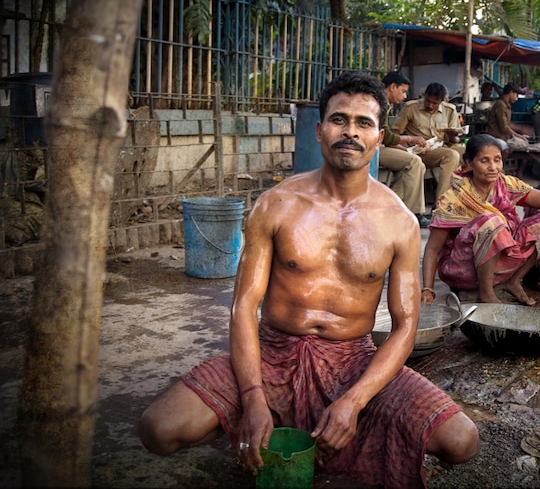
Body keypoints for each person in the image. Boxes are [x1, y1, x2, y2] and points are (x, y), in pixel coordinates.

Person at [138, 71, 479, 488]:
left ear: (379, 137)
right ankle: (249, 428)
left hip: (353, 360)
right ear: (319, 129)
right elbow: (243, 306)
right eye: (339, 120)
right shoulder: (276, 204)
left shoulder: (400, 223)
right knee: (159, 428)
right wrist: (252, 398)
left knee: (462, 441)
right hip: (272, 354)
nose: (349, 132)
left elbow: (406, 325)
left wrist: (355, 401)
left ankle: (324, 426)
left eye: (363, 123)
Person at [421, 133, 540, 306]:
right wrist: (428, 290)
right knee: (491, 221)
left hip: (504, 263)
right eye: (484, 161)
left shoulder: (506, 184)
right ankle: (486, 293)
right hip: (463, 269)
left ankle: (513, 281)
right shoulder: (454, 198)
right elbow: (432, 249)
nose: (493, 167)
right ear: (468, 163)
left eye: (497, 160)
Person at [392, 82, 465, 201]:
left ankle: (468, 197)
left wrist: (452, 135)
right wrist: (406, 147)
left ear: (443, 101)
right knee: (452, 155)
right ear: (424, 96)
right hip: (422, 151)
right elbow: (395, 132)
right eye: (428, 101)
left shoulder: (450, 110)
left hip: (443, 146)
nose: (430, 105)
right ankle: (442, 201)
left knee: (472, 151)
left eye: (435, 103)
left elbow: (455, 140)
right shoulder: (411, 107)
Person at [379, 71, 431, 227]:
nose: (404, 96)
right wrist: (410, 139)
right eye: (403, 91)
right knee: (414, 162)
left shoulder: (383, 102)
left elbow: (387, 138)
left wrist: (404, 148)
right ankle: (414, 213)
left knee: (417, 163)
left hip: (379, 146)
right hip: (372, 149)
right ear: (392, 87)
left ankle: (392, 205)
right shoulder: (379, 102)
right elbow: (386, 137)